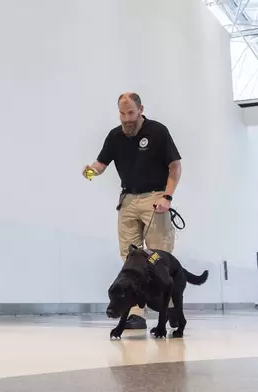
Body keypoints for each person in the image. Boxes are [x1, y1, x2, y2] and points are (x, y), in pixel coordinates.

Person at [83, 92, 182, 331]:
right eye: (122, 113)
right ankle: (136, 314)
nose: (126, 118)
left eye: (130, 113)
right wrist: (90, 172)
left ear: (140, 110)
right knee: (129, 259)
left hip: (155, 197)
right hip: (127, 200)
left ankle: (170, 308)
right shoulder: (115, 136)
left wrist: (167, 197)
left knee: (159, 256)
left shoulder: (158, 132)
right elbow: (101, 165)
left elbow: (175, 166)